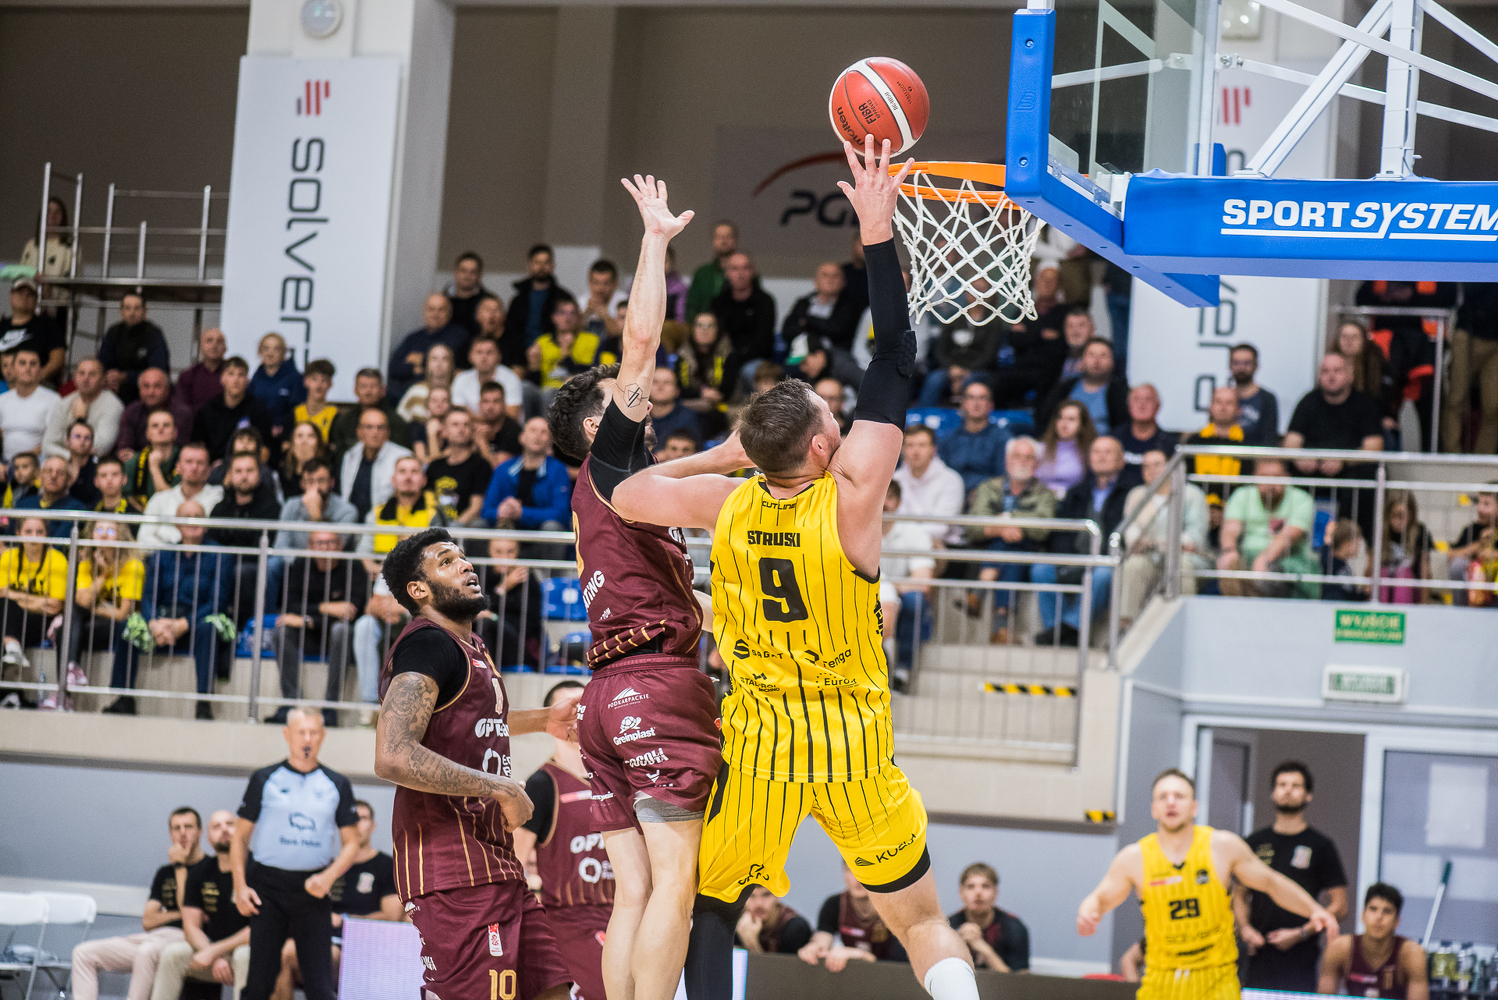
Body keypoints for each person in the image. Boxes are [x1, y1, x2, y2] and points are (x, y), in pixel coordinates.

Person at [612, 139, 982, 1000]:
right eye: (829, 413)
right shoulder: (853, 497)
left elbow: (627, 493)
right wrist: (878, 229)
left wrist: (723, 456)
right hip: (854, 744)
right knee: (922, 922)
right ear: (822, 446)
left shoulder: (726, 503)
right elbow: (894, 357)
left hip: (761, 746)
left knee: (707, 904)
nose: (838, 415)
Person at [546, 175, 738, 1000]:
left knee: (633, 889)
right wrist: (655, 242)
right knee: (675, 885)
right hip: (656, 687)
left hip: (605, 700)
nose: (645, 401)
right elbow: (641, 344)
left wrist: (723, 455)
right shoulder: (609, 458)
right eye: (623, 404)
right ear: (599, 426)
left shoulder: (607, 493)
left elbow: (666, 492)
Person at [372, 527, 580, 1000]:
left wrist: (545, 720)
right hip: (451, 868)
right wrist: (500, 787)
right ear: (418, 590)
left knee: (554, 991)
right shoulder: (427, 643)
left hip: (497, 861)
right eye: (447, 561)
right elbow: (393, 754)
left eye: (463, 557)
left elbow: (476, 719)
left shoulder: (471, 646)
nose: (466, 564)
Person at [1077, 768, 1338, 1000]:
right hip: (1161, 982)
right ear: (1154, 809)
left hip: (1215, 982)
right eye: (1163, 797)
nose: (1171, 802)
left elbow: (1272, 883)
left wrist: (1315, 910)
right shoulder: (1134, 858)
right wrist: (1089, 911)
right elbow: (1100, 897)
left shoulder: (1222, 846)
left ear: (1194, 807)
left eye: (1179, 796)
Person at [231, 707, 362, 1000]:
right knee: (259, 984)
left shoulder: (337, 783)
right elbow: (239, 836)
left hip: (313, 890)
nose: (307, 739)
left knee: (320, 987)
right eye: (301, 732)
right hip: (267, 889)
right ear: (287, 734)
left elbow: (352, 843)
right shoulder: (264, 778)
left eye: (313, 732)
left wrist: (328, 877)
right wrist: (239, 886)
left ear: (323, 736)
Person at [511, 680, 614, 1000]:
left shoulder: (618, 779)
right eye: (567, 707)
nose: (576, 714)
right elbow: (513, 864)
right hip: (571, 922)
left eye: (581, 705)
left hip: (622, 917)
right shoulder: (543, 784)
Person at [271, 799, 403, 1000]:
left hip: (362, 947)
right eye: (350, 820)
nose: (356, 824)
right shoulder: (329, 868)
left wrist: (344, 920)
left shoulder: (386, 866)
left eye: (362, 818)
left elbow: (392, 916)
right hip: (322, 938)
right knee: (276, 950)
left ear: (373, 825)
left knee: (291, 951)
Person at [1236, 762, 1350, 992]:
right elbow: (1239, 895)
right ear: (1273, 792)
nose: (1288, 790)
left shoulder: (1320, 845)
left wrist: (1302, 932)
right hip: (1258, 952)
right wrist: (1245, 929)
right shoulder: (1254, 842)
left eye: (1296, 786)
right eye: (1282, 785)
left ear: (1308, 795)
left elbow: (1340, 905)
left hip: (1300, 954)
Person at [70, 807, 205, 1000]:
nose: (182, 833)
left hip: (186, 939)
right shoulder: (164, 872)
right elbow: (148, 921)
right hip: (156, 937)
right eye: (177, 828)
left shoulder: (208, 868)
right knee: (83, 952)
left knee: (145, 952)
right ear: (170, 833)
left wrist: (180, 866)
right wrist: (180, 914)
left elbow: (189, 915)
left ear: (200, 831)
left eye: (188, 827)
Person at [136, 500, 234, 718]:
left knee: (208, 628)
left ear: (206, 524)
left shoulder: (220, 555)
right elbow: (149, 596)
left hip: (198, 619)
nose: (192, 522)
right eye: (186, 517)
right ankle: (123, 698)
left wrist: (185, 623)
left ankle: (204, 702)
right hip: (163, 621)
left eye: (198, 517)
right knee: (128, 627)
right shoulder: (163, 555)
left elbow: (218, 601)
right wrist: (153, 622)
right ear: (177, 524)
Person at [1032, 436, 1127, 646]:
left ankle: (1068, 628)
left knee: (1103, 574)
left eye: (1108, 452)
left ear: (1122, 460)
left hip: (1106, 559)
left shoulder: (1129, 492)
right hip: (1075, 557)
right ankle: (1057, 632)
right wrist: (1066, 558)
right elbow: (1062, 532)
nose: (1101, 457)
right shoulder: (1076, 492)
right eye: (1096, 452)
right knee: (1041, 569)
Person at [269, 531, 366, 728]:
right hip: (308, 635)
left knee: (341, 630)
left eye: (330, 542)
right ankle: (291, 704)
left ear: (340, 545)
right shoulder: (301, 565)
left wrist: (307, 619)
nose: (325, 547)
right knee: (281, 631)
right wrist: (326, 608)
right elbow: (291, 605)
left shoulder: (354, 567)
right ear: (310, 545)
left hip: (338, 640)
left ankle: (330, 707)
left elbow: (351, 612)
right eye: (320, 543)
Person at [151, 810, 251, 1000]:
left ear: (240, 831)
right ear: (208, 839)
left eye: (229, 824)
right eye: (217, 826)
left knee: (243, 956)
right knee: (172, 954)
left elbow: (261, 929)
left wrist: (214, 952)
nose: (224, 829)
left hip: (249, 951)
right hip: (211, 951)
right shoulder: (200, 872)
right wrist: (213, 954)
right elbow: (190, 926)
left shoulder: (259, 870)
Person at [965, 436, 1056, 645]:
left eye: (1028, 457)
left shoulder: (1045, 494)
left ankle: (980, 589)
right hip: (991, 550)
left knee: (1011, 546)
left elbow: (1043, 529)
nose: (1022, 462)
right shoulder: (988, 487)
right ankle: (1002, 627)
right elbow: (972, 527)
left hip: (1030, 551)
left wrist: (1007, 519)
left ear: (1037, 463)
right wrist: (1002, 530)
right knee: (1010, 550)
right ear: (1007, 460)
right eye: (1017, 456)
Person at [1119, 449, 1210, 624]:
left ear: (1171, 466)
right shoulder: (1137, 495)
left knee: (1180, 563)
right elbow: (1131, 535)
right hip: (1150, 558)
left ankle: (1184, 621)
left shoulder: (1191, 494)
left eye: (1157, 465)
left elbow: (1194, 538)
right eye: (1146, 466)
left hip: (1188, 558)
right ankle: (1128, 626)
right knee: (1132, 565)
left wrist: (1155, 544)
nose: (1151, 470)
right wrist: (1150, 545)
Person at [1218, 458, 1320, 599]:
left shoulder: (1301, 499)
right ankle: (1237, 609)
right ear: (1255, 477)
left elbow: (1289, 536)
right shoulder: (1242, 494)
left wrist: (1264, 558)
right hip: (1248, 556)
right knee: (1229, 566)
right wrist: (1229, 551)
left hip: (1288, 558)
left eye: (1276, 477)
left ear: (1286, 477)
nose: (1270, 483)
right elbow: (1231, 527)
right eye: (1264, 476)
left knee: (1268, 574)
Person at [65, 519, 144, 699]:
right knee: (66, 626)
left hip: (118, 627)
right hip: (94, 624)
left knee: (66, 626)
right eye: (99, 530)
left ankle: (66, 686)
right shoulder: (87, 564)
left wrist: (94, 608)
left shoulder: (132, 566)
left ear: (120, 536)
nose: (103, 535)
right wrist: (102, 575)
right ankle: (71, 671)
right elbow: (82, 603)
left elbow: (123, 614)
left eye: (110, 531)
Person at [1318, 884, 1429, 1000]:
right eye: (1373, 909)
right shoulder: (1339, 948)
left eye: (1387, 911)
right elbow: (1323, 998)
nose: (1379, 917)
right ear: (1362, 915)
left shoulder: (1412, 954)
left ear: (1397, 921)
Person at [799, 864, 910, 969]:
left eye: (866, 870)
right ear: (844, 872)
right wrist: (815, 948)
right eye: (851, 870)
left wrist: (863, 956)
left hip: (891, 976)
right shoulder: (834, 904)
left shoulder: (895, 909)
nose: (858, 878)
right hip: (854, 975)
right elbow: (823, 936)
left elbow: (900, 963)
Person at [880, 480, 933, 692]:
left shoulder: (914, 532)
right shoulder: (857, 528)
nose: (884, 503)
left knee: (915, 602)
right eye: (880, 495)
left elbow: (923, 581)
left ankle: (902, 669)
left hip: (895, 593)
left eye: (890, 497)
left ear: (899, 502)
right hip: (865, 593)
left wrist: (888, 588)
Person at [356, 456, 447, 578]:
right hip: (382, 578)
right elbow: (364, 552)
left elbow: (442, 556)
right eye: (402, 471)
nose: (408, 477)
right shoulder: (376, 513)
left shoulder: (435, 513)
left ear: (424, 480)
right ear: (393, 480)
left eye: (414, 472)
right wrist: (383, 573)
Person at [480, 416, 571, 530]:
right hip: (506, 530)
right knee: (479, 524)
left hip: (541, 532)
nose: (538, 436)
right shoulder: (503, 469)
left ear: (550, 442)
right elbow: (486, 510)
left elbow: (561, 513)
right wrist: (501, 512)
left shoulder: (558, 470)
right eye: (533, 430)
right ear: (521, 437)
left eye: (543, 432)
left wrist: (522, 513)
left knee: (552, 527)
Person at [1442, 282, 1498, 455]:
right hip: (1468, 333)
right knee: (1457, 398)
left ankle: (1484, 458)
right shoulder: (1481, 265)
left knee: (1493, 405)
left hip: (1495, 341)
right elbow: (1465, 289)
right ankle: (1452, 454)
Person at [474, 534, 544, 669]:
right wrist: (502, 588)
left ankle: (485, 674)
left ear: (518, 552)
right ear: (489, 552)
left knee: (487, 623)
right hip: (489, 640)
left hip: (518, 645)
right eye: (498, 552)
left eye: (510, 552)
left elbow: (530, 625)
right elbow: (475, 610)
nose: (504, 558)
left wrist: (494, 617)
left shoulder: (527, 579)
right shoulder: (480, 574)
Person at [136, 443, 223, 548]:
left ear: (209, 469)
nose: (194, 467)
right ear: (178, 467)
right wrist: (173, 552)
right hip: (163, 558)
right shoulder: (159, 499)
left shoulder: (220, 497)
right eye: (189, 462)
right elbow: (143, 539)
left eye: (200, 463)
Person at [388, 293, 470, 403]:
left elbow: (449, 368)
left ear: (450, 313)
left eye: (441, 310)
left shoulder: (459, 336)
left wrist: (421, 361)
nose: (435, 314)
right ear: (424, 312)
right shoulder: (413, 338)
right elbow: (394, 366)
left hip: (443, 395)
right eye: (431, 309)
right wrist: (413, 369)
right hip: (406, 393)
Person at [1037, 336, 1128, 434]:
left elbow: (1123, 427)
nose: (1096, 361)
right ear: (1082, 360)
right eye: (1091, 355)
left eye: (1103, 356)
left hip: (1103, 442)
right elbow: (1045, 418)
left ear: (1113, 362)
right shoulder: (1066, 387)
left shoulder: (1120, 391)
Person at [948, 863, 1029, 973]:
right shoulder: (947, 927)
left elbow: (1022, 981)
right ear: (961, 893)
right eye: (971, 887)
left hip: (1001, 984)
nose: (978, 893)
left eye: (985, 886)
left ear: (995, 893)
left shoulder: (1014, 928)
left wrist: (985, 951)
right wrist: (958, 943)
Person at [193, 357, 274, 463]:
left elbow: (265, 450)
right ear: (222, 379)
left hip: (246, 466)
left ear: (247, 381)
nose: (236, 380)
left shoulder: (259, 410)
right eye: (231, 374)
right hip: (214, 466)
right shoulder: (207, 410)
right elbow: (197, 447)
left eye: (241, 375)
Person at [892, 424, 965, 543]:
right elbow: (893, 521)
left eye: (922, 445)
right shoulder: (895, 479)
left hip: (943, 545)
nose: (916, 451)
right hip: (900, 543)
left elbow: (939, 528)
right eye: (910, 445)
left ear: (933, 449)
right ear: (902, 449)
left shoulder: (951, 480)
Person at [503, 243, 572, 366]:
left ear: (552, 265)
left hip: (553, 358)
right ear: (529, 265)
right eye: (537, 262)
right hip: (521, 359)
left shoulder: (563, 298)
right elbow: (511, 332)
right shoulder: (518, 300)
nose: (541, 267)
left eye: (546, 262)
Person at [337, 408, 413, 521]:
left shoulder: (403, 457)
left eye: (380, 427)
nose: (375, 432)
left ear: (388, 433)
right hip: (351, 523)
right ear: (359, 432)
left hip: (386, 523)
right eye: (369, 427)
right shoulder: (350, 455)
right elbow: (345, 494)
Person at [917, 309, 1002, 408]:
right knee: (934, 379)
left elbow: (989, 354)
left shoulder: (993, 319)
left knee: (971, 382)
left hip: (978, 369)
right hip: (950, 368)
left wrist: (966, 371)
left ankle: (969, 414)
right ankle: (924, 415)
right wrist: (952, 368)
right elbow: (940, 350)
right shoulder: (954, 316)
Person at [712, 251, 777, 378]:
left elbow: (763, 340)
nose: (740, 274)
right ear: (727, 273)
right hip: (723, 357)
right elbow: (716, 337)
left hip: (755, 360)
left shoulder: (765, 301)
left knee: (748, 373)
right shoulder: (718, 302)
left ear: (753, 272)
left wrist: (738, 359)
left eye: (745, 268)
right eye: (735, 269)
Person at [43, 357, 123, 460]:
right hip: (65, 462)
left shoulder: (113, 405)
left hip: (96, 464)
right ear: (75, 377)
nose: (86, 379)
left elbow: (102, 447)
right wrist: (70, 457)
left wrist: (80, 420)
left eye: (92, 374)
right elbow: (48, 444)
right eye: (81, 373)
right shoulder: (63, 403)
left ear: (103, 380)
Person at [99, 292, 170, 404]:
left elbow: (158, 370)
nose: (132, 313)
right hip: (113, 392)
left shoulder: (154, 334)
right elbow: (102, 363)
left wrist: (126, 376)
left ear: (145, 311)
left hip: (145, 396)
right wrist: (108, 376)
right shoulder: (113, 332)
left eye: (137, 308)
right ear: (121, 310)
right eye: (127, 308)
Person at [939, 381, 1009, 495]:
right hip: (950, 493)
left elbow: (1003, 478)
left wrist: (982, 492)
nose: (976, 403)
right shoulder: (948, 438)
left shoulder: (1003, 439)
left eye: (982, 398)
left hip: (988, 495)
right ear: (963, 404)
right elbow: (940, 474)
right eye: (971, 398)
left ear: (991, 405)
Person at [1183, 386, 1248, 504]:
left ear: (1239, 410)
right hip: (1199, 506)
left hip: (1234, 508)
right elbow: (1189, 482)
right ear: (1210, 407)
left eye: (1229, 403)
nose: (1223, 407)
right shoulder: (1194, 441)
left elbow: (1245, 486)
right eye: (1218, 402)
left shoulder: (1247, 444)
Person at [425, 407, 489, 524]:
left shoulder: (481, 465)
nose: (461, 429)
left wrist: (455, 527)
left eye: (466, 425)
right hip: (435, 525)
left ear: (471, 431)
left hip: (465, 529)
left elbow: (476, 507)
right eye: (455, 424)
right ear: (444, 431)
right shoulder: (435, 466)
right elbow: (426, 500)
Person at [676, 312, 735, 439]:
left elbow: (728, 389)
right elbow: (679, 388)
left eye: (710, 325)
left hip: (722, 403)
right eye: (700, 325)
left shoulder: (728, 353)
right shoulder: (683, 354)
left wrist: (713, 395)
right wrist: (701, 393)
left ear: (717, 330)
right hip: (691, 402)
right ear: (693, 329)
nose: (704, 330)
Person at [327, 368, 412, 455]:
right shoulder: (344, 421)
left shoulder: (396, 423)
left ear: (383, 390)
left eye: (373, 387)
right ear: (355, 390)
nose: (368, 391)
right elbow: (338, 454)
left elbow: (402, 453)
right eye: (363, 386)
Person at [115, 368, 194, 459]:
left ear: (167, 389)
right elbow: (124, 449)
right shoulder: (132, 411)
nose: (151, 392)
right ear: (139, 390)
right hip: (138, 463)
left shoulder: (182, 412)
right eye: (146, 386)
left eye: (157, 386)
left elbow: (181, 450)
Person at [782, 261, 860, 352]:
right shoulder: (803, 303)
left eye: (835, 276)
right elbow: (787, 331)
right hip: (802, 351)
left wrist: (808, 321)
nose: (830, 280)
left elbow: (838, 330)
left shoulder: (850, 306)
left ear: (843, 282)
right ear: (816, 281)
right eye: (825, 275)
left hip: (834, 353)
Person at [0, 346, 61, 459]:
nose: (28, 368)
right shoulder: (2, 400)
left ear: (40, 369)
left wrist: (22, 460)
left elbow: (54, 440)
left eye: (33, 364)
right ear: (13, 369)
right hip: (5, 464)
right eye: (22, 363)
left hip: (38, 463)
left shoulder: (53, 399)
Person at [0, 277, 65, 383]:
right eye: (20, 292)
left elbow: (58, 357)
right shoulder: (2, 326)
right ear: (11, 295)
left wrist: (39, 376)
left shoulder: (47, 325)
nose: (25, 297)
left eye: (30, 294)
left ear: (36, 299)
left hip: (36, 384)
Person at [529, 298, 599, 391]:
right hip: (545, 391)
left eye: (572, 313)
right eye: (562, 313)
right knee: (526, 387)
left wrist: (566, 354)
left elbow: (587, 374)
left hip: (575, 391)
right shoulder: (542, 341)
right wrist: (534, 365)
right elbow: (534, 382)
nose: (567, 318)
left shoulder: (590, 339)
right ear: (554, 317)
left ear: (578, 317)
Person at [1113, 384, 1174, 490]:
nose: (1142, 405)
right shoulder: (1113, 439)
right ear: (1128, 406)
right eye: (1136, 399)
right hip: (1118, 495)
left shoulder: (1170, 444)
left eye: (1148, 400)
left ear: (1158, 406)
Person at [250, 332, 306, 447]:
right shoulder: (256, 377)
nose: (270, 353)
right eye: (266, 348)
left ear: (283, 352)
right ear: (260, 351)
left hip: (285, 436)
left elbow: (298, 408)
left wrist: (280, 424)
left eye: (276, 349)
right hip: (258, 434)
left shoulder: (295, 378)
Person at [1376, 490, 1432, 602]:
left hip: (1410, 588)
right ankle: (1381, 608)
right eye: (1394, 516)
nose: (1397, 521)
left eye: (1402, 516)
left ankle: (1401, 609)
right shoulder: (1381, 532)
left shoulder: (1420, 532)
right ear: (1388, 515)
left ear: (1411, 515)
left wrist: (1424, 604)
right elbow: (1372, 567)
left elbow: (1426, 572)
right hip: (1386, 585)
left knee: (1402, 574)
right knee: (1383, 573)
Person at [1446, 485, 1498, 604]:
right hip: (1475, 589)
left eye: (1486, 504)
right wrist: (1477, 546)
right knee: (1458, 564)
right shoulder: (1472, 529)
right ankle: (1461, 610)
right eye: (1478, 503)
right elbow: (1451, 554)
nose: (1479, 508)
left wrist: (1492, 554)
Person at [14, 454, 87, 536]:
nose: (53, 476)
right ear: (40, 476)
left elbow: (60, 541)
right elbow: (9, 538)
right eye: (49, 471)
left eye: (60, 473)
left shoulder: (76, 509)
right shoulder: (22, 505)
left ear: (69, 479)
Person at [451, 335, 524, 418]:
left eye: (489, 352)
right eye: (479, 352)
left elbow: (512, 415)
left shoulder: (511, 378)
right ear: (470, 356)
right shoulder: (461, 379)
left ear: (499, 356)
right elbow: (458, 413)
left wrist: (478, 420)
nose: (484, 357)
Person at [124, 409, 181, 512]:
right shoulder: (133, 462)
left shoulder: (186, 461)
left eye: (166, 425)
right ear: (147, 433)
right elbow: (126, 497)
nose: (160, 429)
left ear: (175, 432)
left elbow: (171, 502)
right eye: (155, 426)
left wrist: (154, 467)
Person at [1036, 400, 1095, 498]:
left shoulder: (1090, 451)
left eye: (1071, 419)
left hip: (1073, 501)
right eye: (1060, 418)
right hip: (1041, 499)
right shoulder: (1039, 448)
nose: (1064, 424)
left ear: (1082, 425)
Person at [685, 220, 740, 323]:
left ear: (735, 239)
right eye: (719, 237)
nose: (724, 241)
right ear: (713, 240)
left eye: (728, 236)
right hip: (703, 327)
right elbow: (691, 307)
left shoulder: (745, 273)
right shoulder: (702, 273)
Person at [736, 886, 813, 956]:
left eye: (766, 895)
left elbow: (784, 967)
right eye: (751, 895)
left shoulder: (794, 927)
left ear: (777, 896)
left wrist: (752, 945)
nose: (759, 903)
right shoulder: (736, 924)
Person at [1230, 343, 1281, 445]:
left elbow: (1269, 439)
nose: (1241, 368)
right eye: (1236, 363)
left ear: (1256, 365)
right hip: (1227, 451)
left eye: (1247, 363)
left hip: (1257, 452)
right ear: (1230, 365)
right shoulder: (1223, 397)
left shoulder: (1267, 399)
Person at [397, 342, 456, 425]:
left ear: (451, 364)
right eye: (434, 359)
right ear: (427, 363)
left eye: (445, 359)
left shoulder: (457, 391)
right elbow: (399, 423)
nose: (439, 364)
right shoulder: (415, 391)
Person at [177, 328, 228, 418]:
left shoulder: (233, 375)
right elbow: (181, 408)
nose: (214, 345)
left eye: (219, 341)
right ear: (200, 348)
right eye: (209, 340)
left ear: (225, 348)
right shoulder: (188, 376)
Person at [648, 365, 701, 445]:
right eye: (655, 382)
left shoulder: (687, 418)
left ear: (677, 391)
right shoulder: (638, 418)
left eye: (667, 383)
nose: (660, 387)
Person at [475, 381, 524, 467]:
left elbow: (498, 468)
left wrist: (482, 442)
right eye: (486, 401)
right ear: (479, 405)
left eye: (496, 401)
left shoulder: (513, 430)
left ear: (504, 405)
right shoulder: (475, 428)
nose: (490, 406)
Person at [445, 251, 493, 338]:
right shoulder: (443, 302)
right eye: (463, 271)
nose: (467, 276)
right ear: (455, 273)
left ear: (479, 275)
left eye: (472, 272)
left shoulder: (488, 302)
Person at [278, 420, 328, 498]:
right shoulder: (281, 476)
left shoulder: (328, 473)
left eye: (310, 436)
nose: (304, 441)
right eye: (299, 436)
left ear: (318, 445)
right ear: (292, 445)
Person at [294, 358, 338, 443]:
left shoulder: (335, 416)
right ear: (306, 381)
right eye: (314, 379)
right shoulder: (295, 413)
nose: (319, 385)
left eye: (324, 380)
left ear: (330, 384)